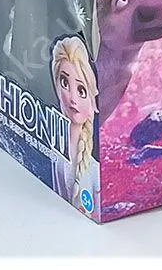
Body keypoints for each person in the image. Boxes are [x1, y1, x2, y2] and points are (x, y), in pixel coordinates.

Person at [50, 36, 100, 216]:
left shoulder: (94, 172)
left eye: (81, 90)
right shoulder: (54, 153)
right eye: (65, 83)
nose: (72, 98)